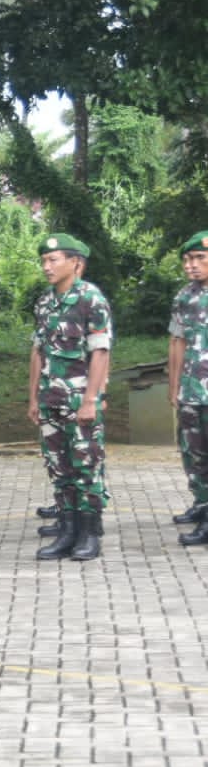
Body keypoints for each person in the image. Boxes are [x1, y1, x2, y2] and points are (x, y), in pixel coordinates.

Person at [29, 234, 113, 561]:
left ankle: (89, 534)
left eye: (53, 260)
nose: (46, 266)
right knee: (59, 469)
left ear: (75, 263)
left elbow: (100, 352)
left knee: (86, 467)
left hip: (80, 401)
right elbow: (37, 351)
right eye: (44, 261)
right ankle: (67, 532)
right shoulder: (44, 302)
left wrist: (91, 398)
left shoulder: (90, 299)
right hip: (50, 399)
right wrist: (33, 398)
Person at [170, 231, 208, 546]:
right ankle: (202, 504)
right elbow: (177, 342)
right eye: (187, 259)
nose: (190, 265)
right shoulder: (185, 296)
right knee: (193, 453)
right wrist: (175, 386)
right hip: (193, 390)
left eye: (198, 259)